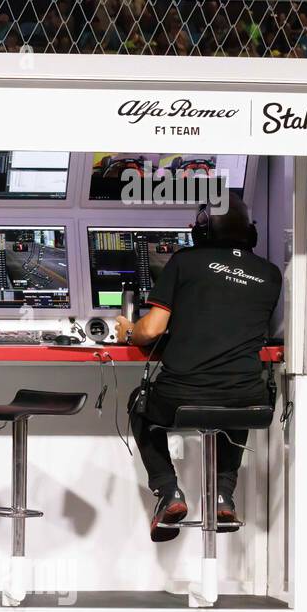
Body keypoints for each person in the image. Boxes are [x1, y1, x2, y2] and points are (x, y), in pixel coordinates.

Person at [116, 192, 282, 541]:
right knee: (236, 398)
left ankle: (168, 491)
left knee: (139, 404)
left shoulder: (184, 262)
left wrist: (127, 329)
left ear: (201, 231)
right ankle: (223, 495)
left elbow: (153, 329)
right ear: (250, 232)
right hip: (248, 398)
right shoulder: (270, 273)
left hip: (181, 397)